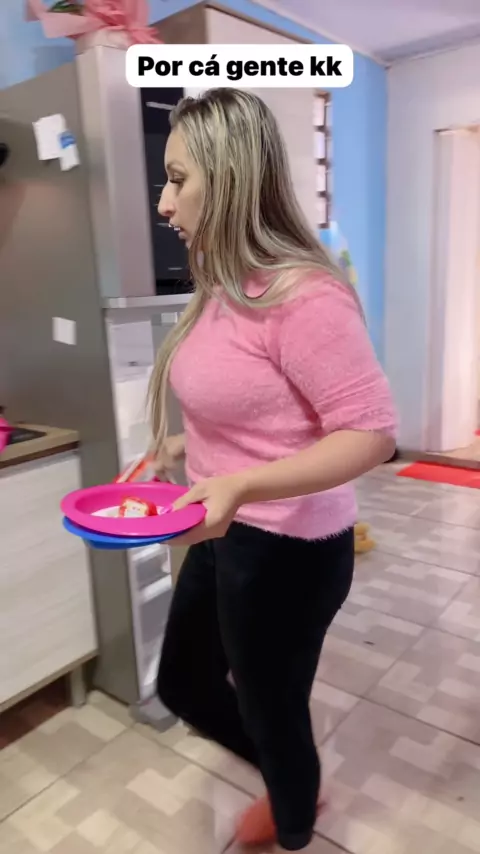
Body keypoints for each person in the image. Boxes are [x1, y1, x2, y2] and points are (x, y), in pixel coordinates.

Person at [149, 88, 397, 852]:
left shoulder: (305, 295)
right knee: (183, 683)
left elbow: (372, 434)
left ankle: (294, 819)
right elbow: (249, 409)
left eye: (178, 179)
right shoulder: (221, 289)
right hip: (223, 529)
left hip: (288, 550)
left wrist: (244, 484)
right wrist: (179, 449)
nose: (164, 203)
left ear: (229, 178)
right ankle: (290, 773)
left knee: (272, 706)